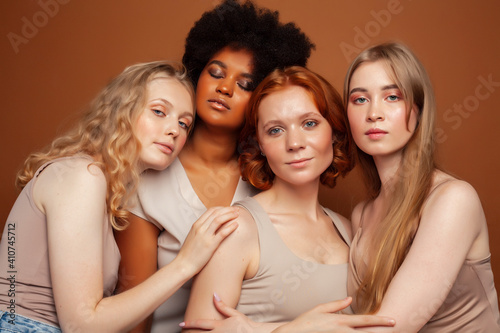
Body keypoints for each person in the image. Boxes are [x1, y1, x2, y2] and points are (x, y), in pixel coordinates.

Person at [114, 1, 315, 332]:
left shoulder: (269, 179)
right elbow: (133, 310)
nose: (225, 88)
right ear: (197, 73)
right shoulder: (147, 180)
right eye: (216, 73)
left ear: (263, 97)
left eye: (245, 84)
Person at [0, 61, 240, 332]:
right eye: (159, 111)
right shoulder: (83, 176)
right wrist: (186, 263)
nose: (174, 130)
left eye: (184, 123)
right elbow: (82, 326)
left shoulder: (105, 188)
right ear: (121, 110)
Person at [182, 66, 396, 333]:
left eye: (309, 123)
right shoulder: (237, 229)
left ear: (335, 131)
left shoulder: (350, 229)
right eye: (275, 130)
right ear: (259, 143)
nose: (294, 143)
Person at [343, 42, 500, 331]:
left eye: (392, 97)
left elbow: (388, 328)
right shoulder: (361, 216)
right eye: (359, 100)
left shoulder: (453, 200)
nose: (373, 113)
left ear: (417, 110)